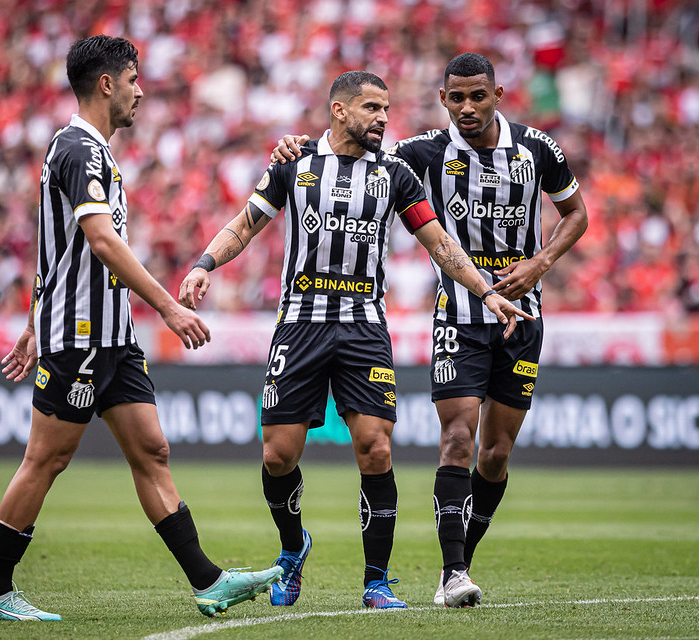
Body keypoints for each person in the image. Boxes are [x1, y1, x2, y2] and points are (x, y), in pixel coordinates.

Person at [179, 70, 532, 610]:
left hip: (364, 327)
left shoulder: (394, 173)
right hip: (299, 325)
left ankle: (376, 582)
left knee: (376, 448)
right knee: (278, 456)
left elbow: (440, 244)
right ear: (339, 110)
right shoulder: (294, 163)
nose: (383, 118)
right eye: (371, 108)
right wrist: (205, 264)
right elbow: (246, 224)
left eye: (386, 109)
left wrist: (486, 292)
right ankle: (294, 547)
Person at [0, 35, 281, 622]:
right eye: (134, 80)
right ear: (107, 83)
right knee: (46, 460)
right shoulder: (79, 149)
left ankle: (207, 580)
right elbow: (98, 239)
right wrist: (167, 306)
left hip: (112, 337)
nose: (141, 91)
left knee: (152, 451)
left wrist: (32, 320)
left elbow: (51, 250)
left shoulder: (97, 154)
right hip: (81, 337)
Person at [272, 52, 588, 608]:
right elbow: (348, 155)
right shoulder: (420, 153)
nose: (467, 107)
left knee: (495, 454)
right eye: (456, 97)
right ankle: (453, 571)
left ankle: (460, 554)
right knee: (458, 438)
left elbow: (576, 214)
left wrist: (537, 265)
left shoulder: (538, 149)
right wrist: (293, 148)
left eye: (478, 96)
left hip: (523, 315)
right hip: (459, 315)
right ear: (443, 100)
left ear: (499, 95)